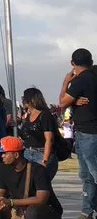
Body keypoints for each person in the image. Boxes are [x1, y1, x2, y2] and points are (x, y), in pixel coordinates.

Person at [0, 136, 62, 219]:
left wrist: (12, 202)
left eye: (5, 153)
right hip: (18, 208)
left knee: (32, 211)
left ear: (16, 155)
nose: (2, 156)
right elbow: (0, 191)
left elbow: (41, 199)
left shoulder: (38, 170)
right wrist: (0, 201)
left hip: (45, 211)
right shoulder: (3, 168)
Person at [58, 48, 97, 219]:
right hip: (84, 132)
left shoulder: (81, 80)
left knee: (92, 174)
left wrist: (66, 82)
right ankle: (87, 210)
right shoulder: (93, 77)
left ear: (72, 64)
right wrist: (74, 101)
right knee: (87, 175)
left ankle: (87, 210)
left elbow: (61, 103)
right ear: (91, 61)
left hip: (88, 133)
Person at [19, 87, 58, 180]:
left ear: (30, 100)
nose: (23, 101)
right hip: (28, 153)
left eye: (24, 98)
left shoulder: (45, 115)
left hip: (41, 153)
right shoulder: (28, 116)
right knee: (30, 186)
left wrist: (45, 161)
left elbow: (49, 139)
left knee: (42, 186)